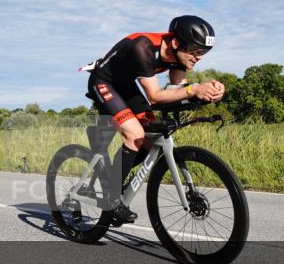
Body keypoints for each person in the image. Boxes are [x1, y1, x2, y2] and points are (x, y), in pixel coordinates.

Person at [85, 15, 225, 225]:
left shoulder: (180, 56)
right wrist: (193, 89)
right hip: (104, 82)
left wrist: (207, 93)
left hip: (127, 86)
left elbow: (176, 90)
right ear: (176, 42)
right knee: (135, 135)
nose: (199, 57)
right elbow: (155, 96)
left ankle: (113, 179)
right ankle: (111, 197)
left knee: (149, 141)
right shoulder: (143, 48)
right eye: (196, 51)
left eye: (203, 53)